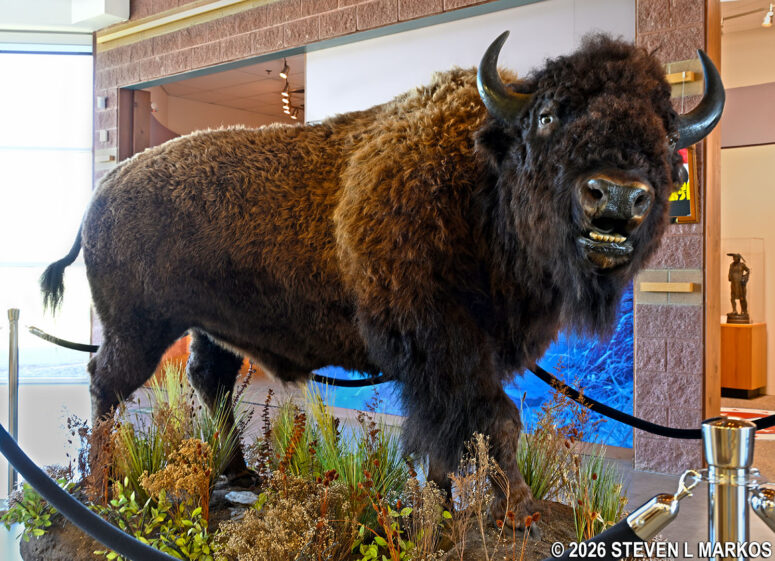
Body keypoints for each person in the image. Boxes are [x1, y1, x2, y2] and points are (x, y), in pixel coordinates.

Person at [728, 253, 750, 317]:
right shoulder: (731, 265)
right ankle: (734, 310)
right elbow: (730, 272)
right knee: (732, 297)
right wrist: (730, 276)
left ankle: (744, 311)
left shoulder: (742, 265)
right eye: (733, 258)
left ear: (738, 258)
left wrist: (745, 277)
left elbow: (748, 270)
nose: (733, 259)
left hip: (740, 284)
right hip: (734, 284)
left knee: (742, 298)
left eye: (735, 257)